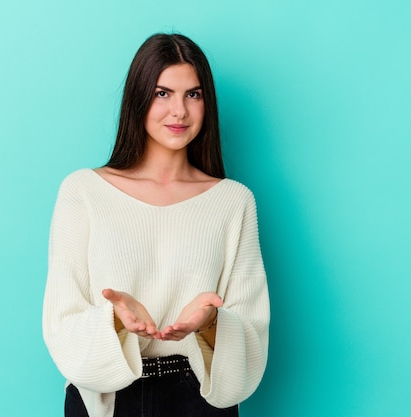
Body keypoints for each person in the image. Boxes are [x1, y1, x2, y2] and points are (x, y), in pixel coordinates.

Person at [42, 33, 270, 417]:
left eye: (193, 94)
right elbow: (61, 324)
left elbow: (252, 332)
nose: (179, 111)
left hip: (199, 396)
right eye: (163, 93)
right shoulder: (83, 192)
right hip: (106, 399)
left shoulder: (234, 201)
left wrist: (210, 323)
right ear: (138, 98)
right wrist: (115, 320)